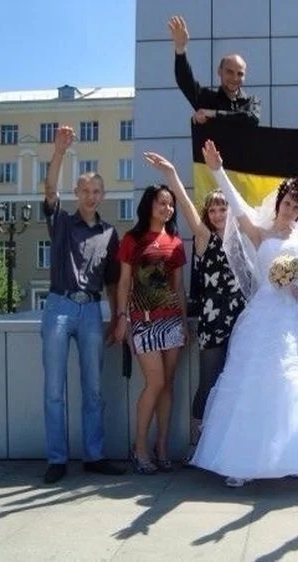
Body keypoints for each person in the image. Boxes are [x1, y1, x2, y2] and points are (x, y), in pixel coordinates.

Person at [187, 141, 298, 488]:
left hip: (297, 317)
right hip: (264, 314)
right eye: (287, 203)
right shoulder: (260, 233)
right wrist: (217, 170)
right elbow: (236, 205)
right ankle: (245, 460)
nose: (289, 210)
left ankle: (295, 456)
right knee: (256, 384)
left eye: (296, 207)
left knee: (297, 385)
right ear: (278, 202)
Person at [142, 153, 245, 465]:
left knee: (238, 382)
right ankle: (198, 445)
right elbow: (185, 204)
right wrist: (172, 173)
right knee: (209, 382)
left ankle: (232, 446)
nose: (217, 212)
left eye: (222, 206)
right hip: (213, 321)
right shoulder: (203, 238)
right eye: (212, 208)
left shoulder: (242, 239)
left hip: (242, 319)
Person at [39, 125, 127, 484]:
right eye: (85, 190)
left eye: (96, 191)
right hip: (59, 307)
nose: (91, 196)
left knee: (93, 389)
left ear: (103, 194)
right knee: (53, 388)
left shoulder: (108, 233)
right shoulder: (60, 222)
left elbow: (112, 281)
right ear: (76, 193)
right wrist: (59, 151)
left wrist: (118, 318)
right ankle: (57, 459)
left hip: (92, 311)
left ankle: (94, 455)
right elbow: (48, 190)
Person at [111, 184, 188, 474]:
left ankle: (162, 447)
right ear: (149, 205)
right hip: (143, 321)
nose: (166, 209)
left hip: (171, 322)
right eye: (161, 203)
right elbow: (124, 283)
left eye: (170, 205)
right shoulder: (132, 239)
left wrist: (182, 322)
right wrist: (121, 318)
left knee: (167, 385)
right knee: (154, 383)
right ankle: (140, 448)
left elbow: (178, 287)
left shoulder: (176, 242)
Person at [169, 15, 260, 126]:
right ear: (219, 72)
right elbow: (185, 81)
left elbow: (251, 119)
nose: (235, 78)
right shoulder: (207, 99)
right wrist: (180, 49)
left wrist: (213, 113)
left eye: (240, 74)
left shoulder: (250, 103)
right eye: (229, 72)